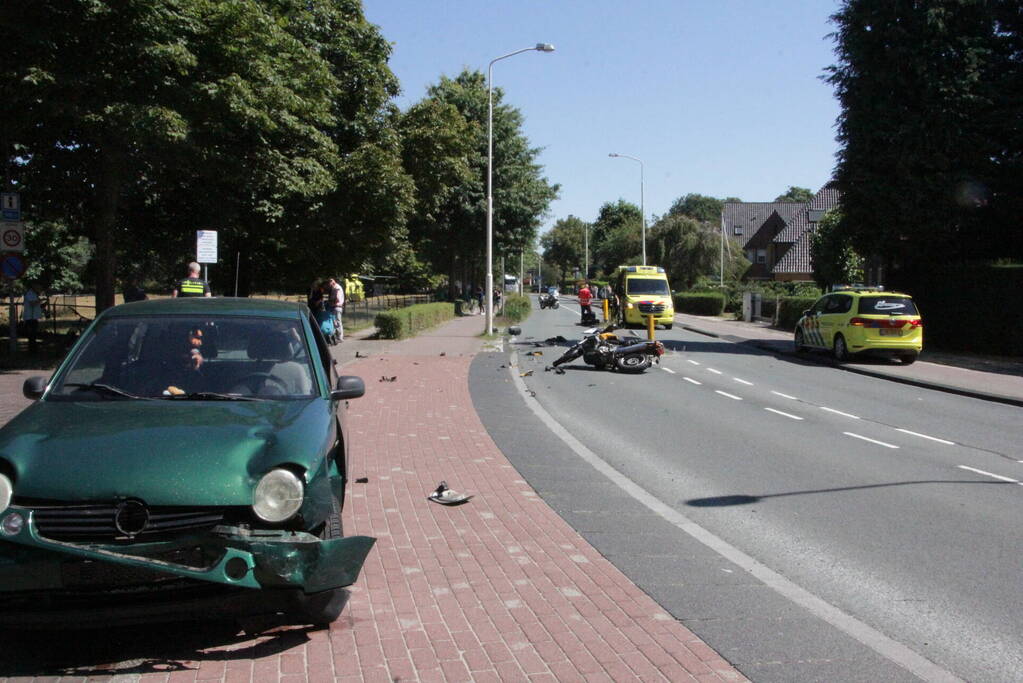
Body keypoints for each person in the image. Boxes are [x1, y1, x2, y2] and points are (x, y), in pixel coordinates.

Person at [21, 282, 46, 353]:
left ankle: (34, 349)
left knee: (34, 335)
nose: (40, 289)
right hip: (30, 318)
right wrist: (41, 299)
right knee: (31, 335)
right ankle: (32, 351)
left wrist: (43, 304)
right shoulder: (30, 293)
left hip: (34, 318)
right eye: (39, 287)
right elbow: (32, 303)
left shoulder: (34, 294)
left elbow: (36, 306)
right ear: (34, 286)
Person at [327, 277, 345, 342]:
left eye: (330, 284)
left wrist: (331, 302)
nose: (329, 286)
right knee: (336, 322)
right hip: (336, 307)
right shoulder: (335, 288)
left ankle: (340, 337)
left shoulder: (337, 288)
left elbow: (337, 299)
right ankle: (338, 337)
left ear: (333, 282)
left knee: (337, 322)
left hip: (337, 307)